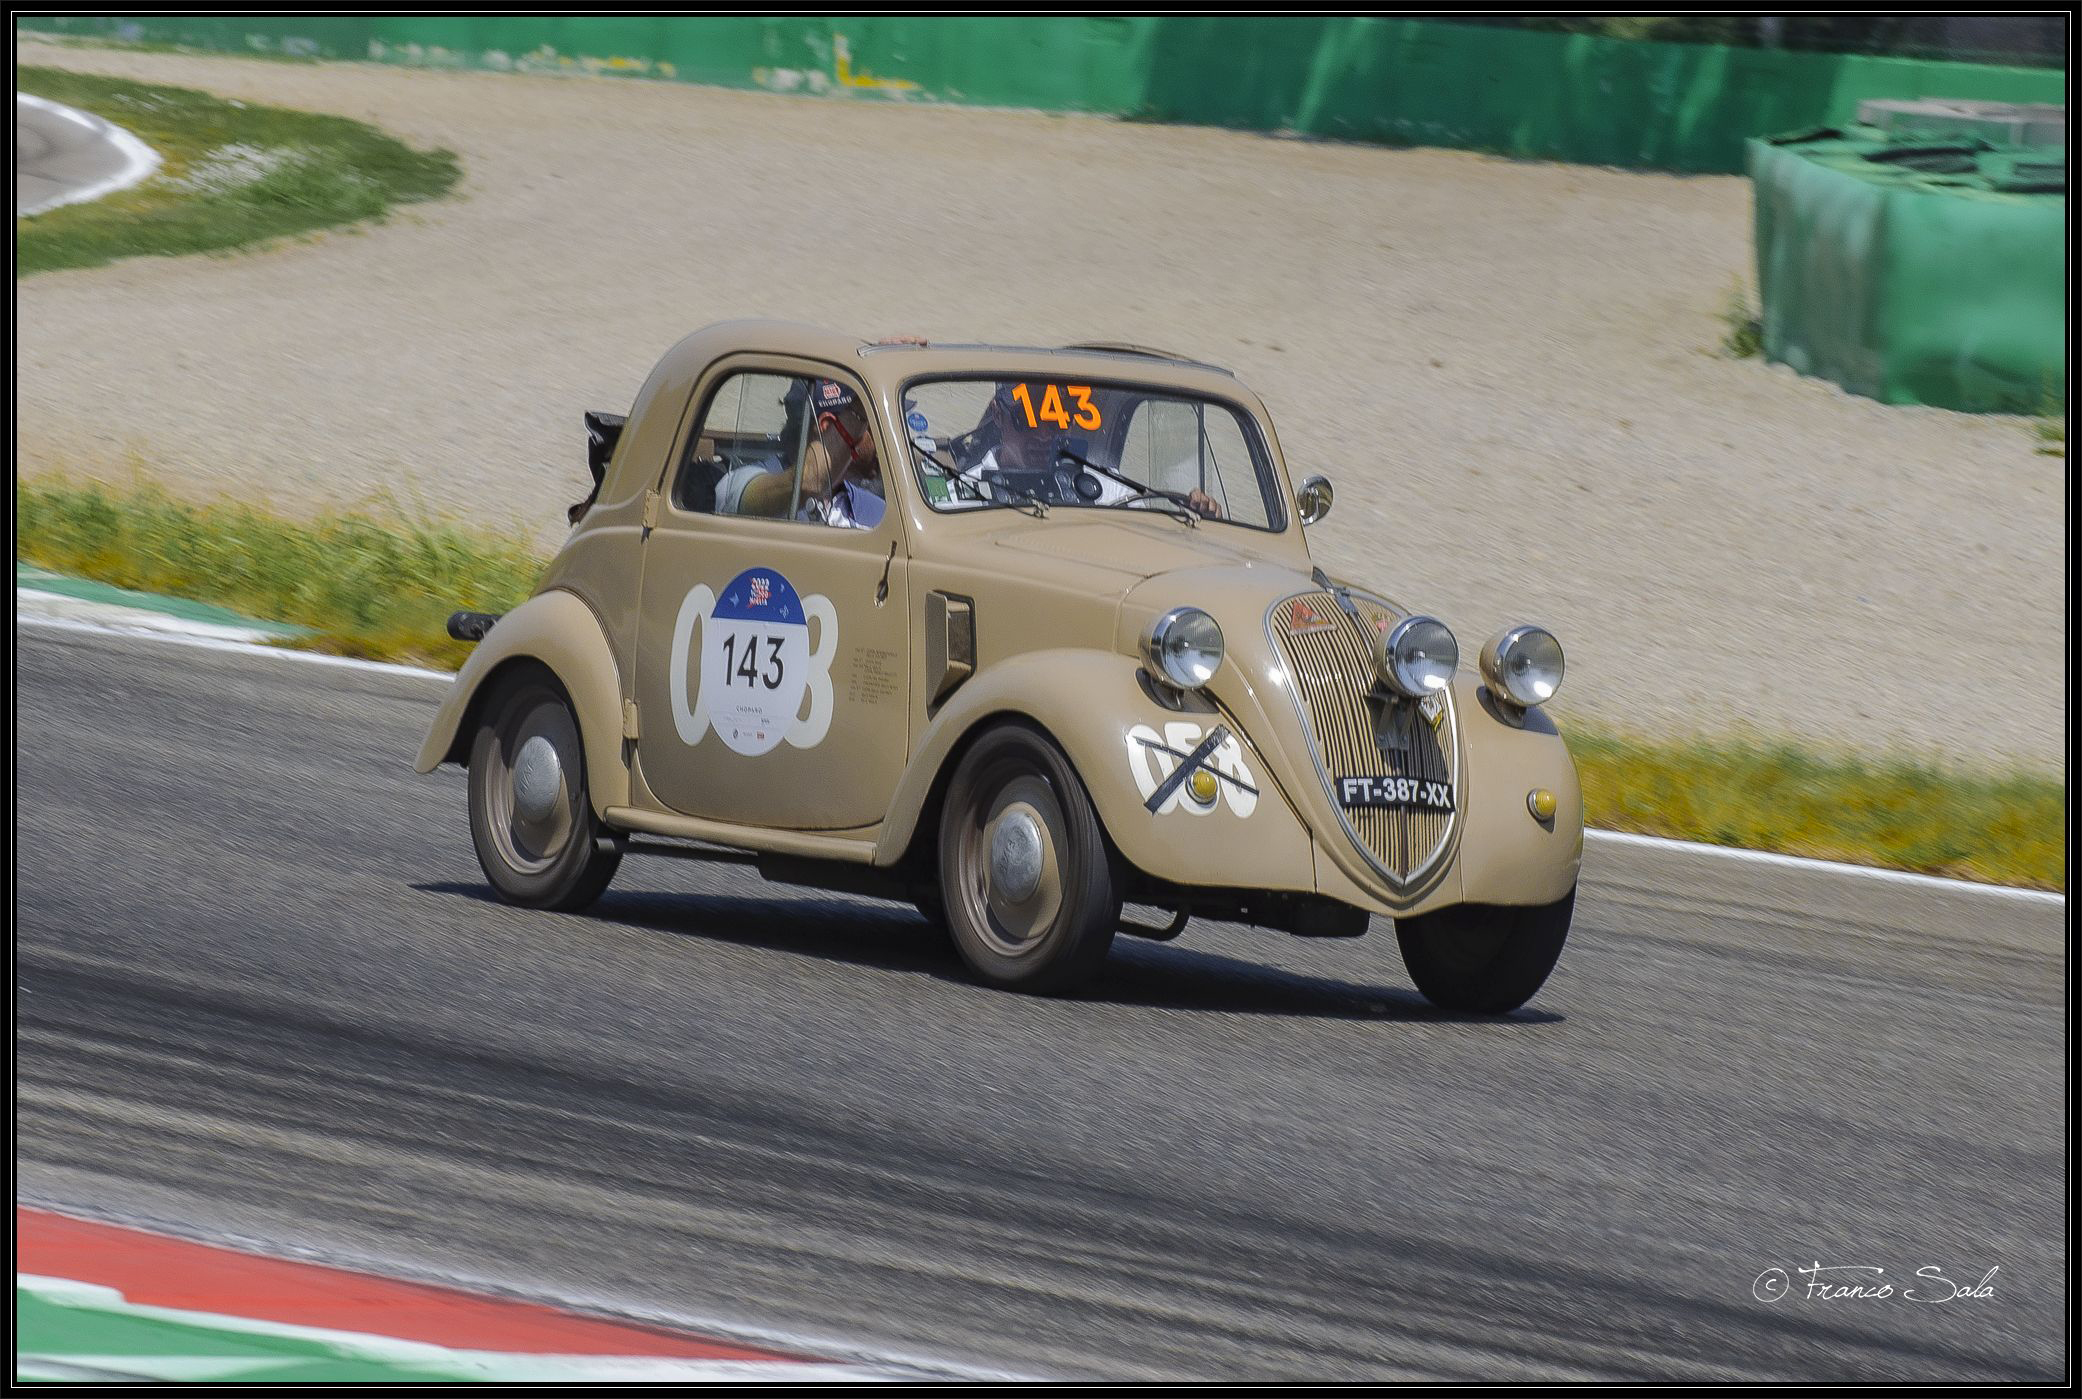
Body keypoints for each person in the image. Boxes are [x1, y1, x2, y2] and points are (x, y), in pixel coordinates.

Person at [949, 384, 1224, 518]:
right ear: (998, 415)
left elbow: (1145, 547)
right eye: (1027, 419)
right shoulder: (965, 495)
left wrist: (1198, 518)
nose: (1044, 435)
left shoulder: (1109, 487)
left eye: (1057, 420)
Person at [719, 378, 886, 528]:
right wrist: (862, 407)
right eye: (871, 427)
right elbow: (806, 483)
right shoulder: (739, 484)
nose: (883, 440)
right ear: (825, 426)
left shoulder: (876, 511)